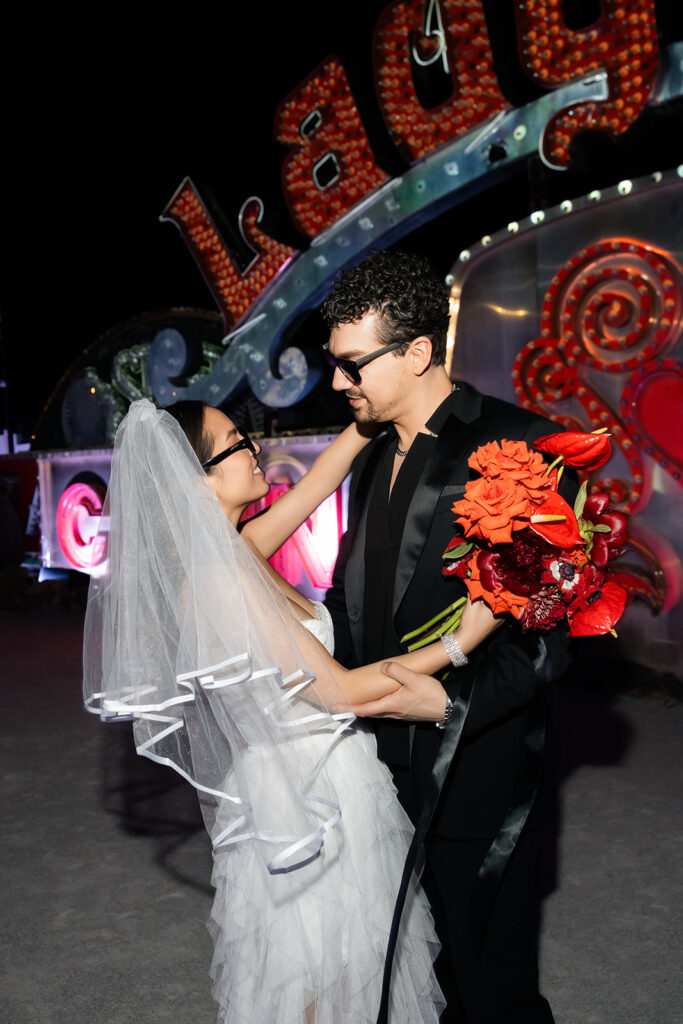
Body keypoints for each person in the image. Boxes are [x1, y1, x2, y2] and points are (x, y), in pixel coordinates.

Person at [83, 397, 498, 1024]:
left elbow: (319, 480)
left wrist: (370, 408)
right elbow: (340, 692)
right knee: (317, 977)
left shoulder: (241, 548)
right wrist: (461, 642)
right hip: (304, 798)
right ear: (198, 481)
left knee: (356, 971)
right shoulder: (220, 582)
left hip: (331, 774)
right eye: (235, 442)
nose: (254, 449)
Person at [321, 249, 569, 1024]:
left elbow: (546, 642)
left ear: (418, 352)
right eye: (334, 363)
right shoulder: (368, 454)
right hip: (373, 761)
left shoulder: (522, 446)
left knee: (486, 979)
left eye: (352, 364)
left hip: (475, 764)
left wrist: (448, 705)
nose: (337, 382)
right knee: (409, 974)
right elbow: (355, 598)